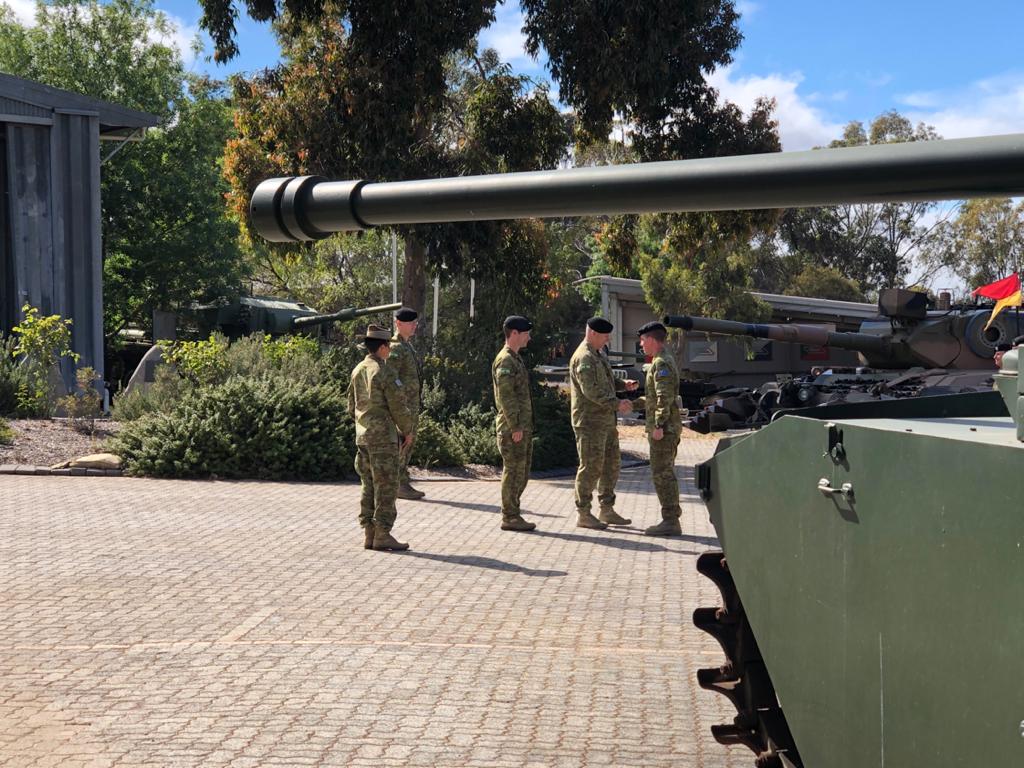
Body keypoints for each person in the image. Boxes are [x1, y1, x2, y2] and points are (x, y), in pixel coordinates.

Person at [347, 324, 415, 551]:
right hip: (383, 439)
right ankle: (383, 533)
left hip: (363, 436)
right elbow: (398, 406)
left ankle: (369, 532)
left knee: (368, 485)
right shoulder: (384, 372)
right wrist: (407, 430)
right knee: (386, 486)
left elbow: (351, 406)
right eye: (389, 347)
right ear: (384, 347)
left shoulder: (358, 370)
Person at [568, 316, 637, 529]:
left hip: (605, 421)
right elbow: (591, 391)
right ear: (593, 333)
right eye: (605, 336)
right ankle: (584, 513)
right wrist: (617, 403)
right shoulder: (584, 357)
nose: (607, 340)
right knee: (590, 467)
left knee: (610, 465)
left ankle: (606, 509)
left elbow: (605, 382)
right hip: (589, 422)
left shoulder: (598, 354)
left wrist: (623, 385)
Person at [629, 321, 683, 536]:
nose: (641, 344)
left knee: (663, 474)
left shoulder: (661, 364)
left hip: (664, 429)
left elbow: (664, 398)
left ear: (651, 340)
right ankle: (670, 518)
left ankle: (670, 520)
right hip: (666, 427)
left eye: (642, 340)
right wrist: (632, 404)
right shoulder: (662, 361)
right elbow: (654, 398)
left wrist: (659, 424)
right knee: (663, 472)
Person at [491, 315, 537, 532]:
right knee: (513, 471)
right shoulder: (506, 360)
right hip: (512, 428)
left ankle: (514, 513)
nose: (529, 337)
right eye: (526, 333)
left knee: (522, 471)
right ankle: (509, 516)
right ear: (515, 334)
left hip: (521, 426)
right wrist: (516, 426)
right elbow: (506, 397)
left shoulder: (515, 358)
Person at [389, 307, 425, 500]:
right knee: (402, 443)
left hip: (410, 406)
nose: (414, 326)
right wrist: (401, 400)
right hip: (403, 406)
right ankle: (397, 484)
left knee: (408, 444)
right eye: (411, 323)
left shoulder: (406, 345)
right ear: (398, 324)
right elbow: (391, 378)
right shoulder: (395, 347)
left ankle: (402, 481)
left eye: (415, 323)